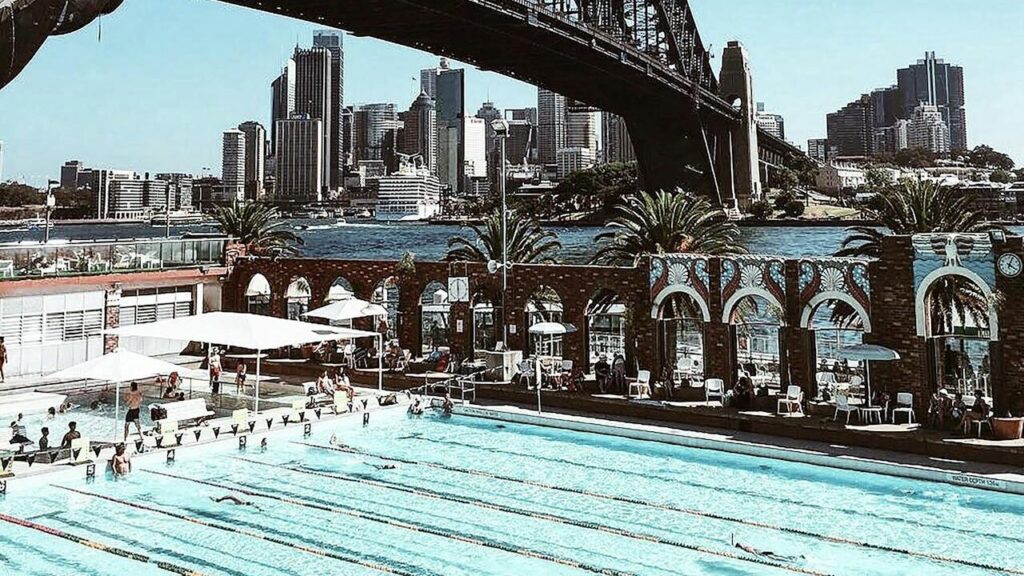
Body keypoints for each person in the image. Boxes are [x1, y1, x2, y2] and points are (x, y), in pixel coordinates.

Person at [732, 534, 804, 563]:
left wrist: (759, 558)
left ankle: (791, 560)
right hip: (763, 552)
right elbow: (754, 550)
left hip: (762, 554)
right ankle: (793, 558)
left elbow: (753, 553)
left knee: (776, 559)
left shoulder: (746, 549)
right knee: (777, 556)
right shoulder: (747, 546)